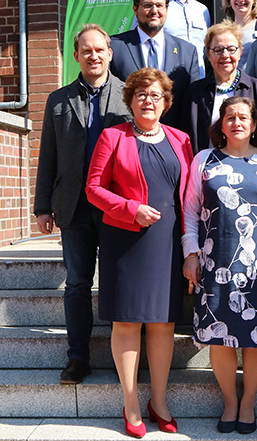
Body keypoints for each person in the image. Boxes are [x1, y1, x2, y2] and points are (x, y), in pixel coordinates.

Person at [85, 68, 193, 438]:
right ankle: (131, 402)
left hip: (168, 242)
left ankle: (158, 401)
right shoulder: (112, 136)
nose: (149, 100)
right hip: (126, 240)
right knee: (128, 322)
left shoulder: (181, 139)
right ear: (130, 101)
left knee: (163, 323)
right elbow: (94, 189)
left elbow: (189, 195)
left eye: (156, 95)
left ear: (166, 102)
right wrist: (131, 209)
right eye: (142, 94)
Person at [182, 96, 257, 435]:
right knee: (221, 333)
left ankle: (247, 401)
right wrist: (190, 253)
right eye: (229, 116)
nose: (236, 122)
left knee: (255, 335)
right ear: (221, 124)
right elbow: (191, 210)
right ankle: (229, 401)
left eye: (243, 117)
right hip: (215, 259)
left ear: (253, 124)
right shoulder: (205, 159)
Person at [34, 24, 131, 385]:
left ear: (109, 53)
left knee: (119, 280)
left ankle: (127, 356)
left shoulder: (128, 95)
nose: (93, 55)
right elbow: (48, 156)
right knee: (76, 283)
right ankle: (78, 356)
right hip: (73, 206)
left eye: (99, 50)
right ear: (76, 55)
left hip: (115, 205)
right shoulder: (58, 100)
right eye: (86, 50)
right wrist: (43, 205)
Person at [179, 21, 257, 154]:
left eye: (231, 49)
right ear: (208, 55)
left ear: (240, 53)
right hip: (206, 168)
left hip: (251, 167)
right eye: (218, 50)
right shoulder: (195, 92)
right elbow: (184, 138)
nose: (225, 55)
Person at [110, 0, 200, 126]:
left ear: (166, 10)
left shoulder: (188, 52)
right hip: (127, 136)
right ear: (135, 9)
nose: (154, 11)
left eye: (159, 6)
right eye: (147, 5)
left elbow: (193, 103)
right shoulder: (115, 46)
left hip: (172, 138)